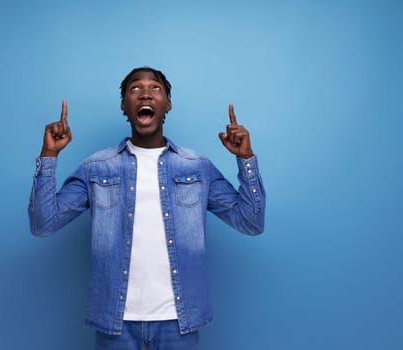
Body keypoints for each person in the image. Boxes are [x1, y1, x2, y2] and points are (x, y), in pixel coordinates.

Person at [28, 67, 265, 349]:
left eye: (155, 88)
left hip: (179, 321)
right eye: (135, 88)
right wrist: (49, 156)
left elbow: (251, 222)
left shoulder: (196, 166)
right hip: (115, 323)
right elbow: (43, 224)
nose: (145, 94)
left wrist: (246, 159)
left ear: (167, 104)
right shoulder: (97, 168)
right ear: (124, 106)